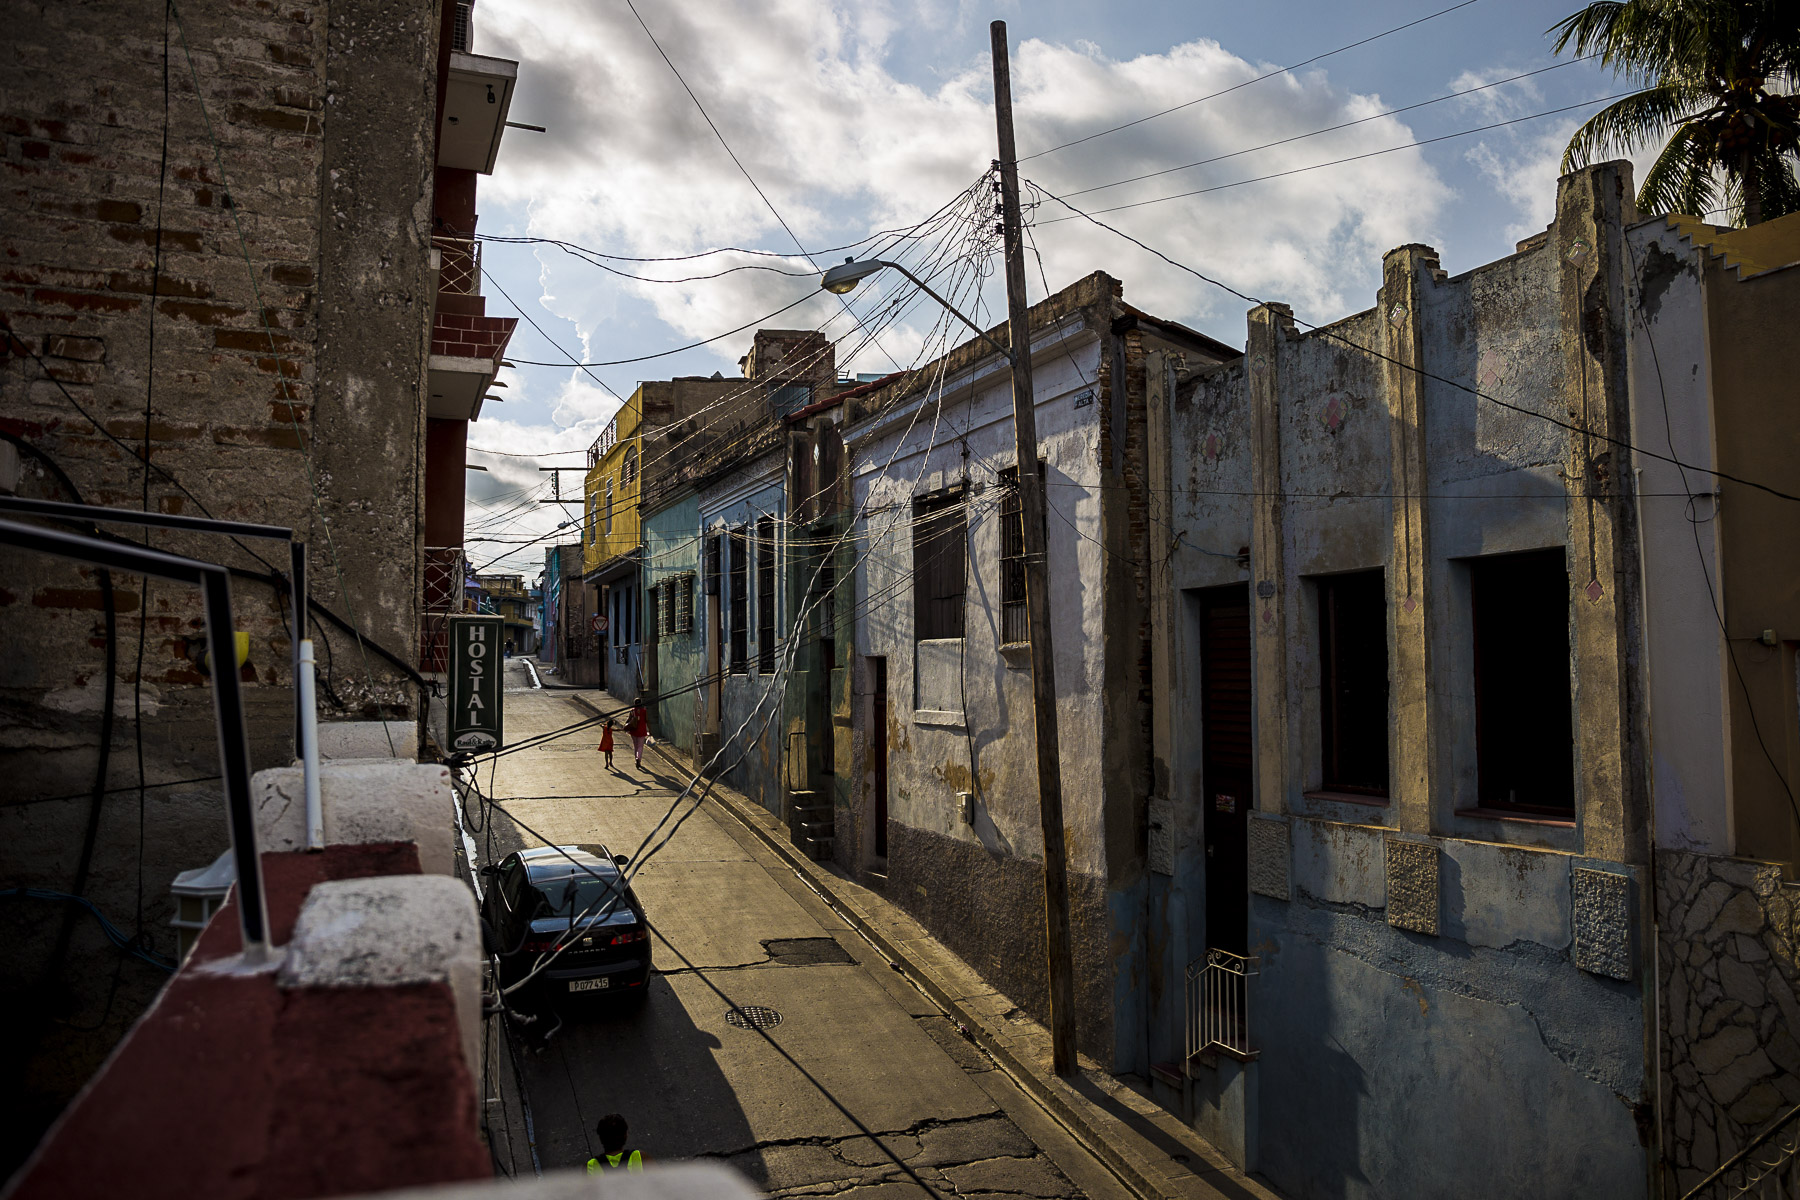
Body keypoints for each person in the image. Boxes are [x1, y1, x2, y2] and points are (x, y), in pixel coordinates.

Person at [628, 700, 649, 770]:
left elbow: (629, 719)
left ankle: (636, 759)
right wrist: (650, 730)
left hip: (634, 730)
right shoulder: (644, 710)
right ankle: (638, 758)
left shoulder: (632, 711)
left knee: (635, 746)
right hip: (642, 730)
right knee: (640, 746)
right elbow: (647, 720)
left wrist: (625, 726)